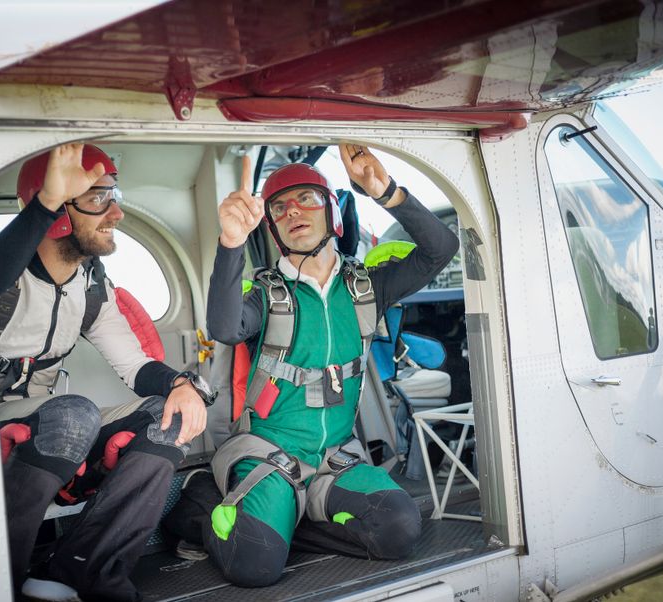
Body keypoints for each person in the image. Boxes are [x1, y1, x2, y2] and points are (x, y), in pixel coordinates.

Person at [165, 143, 459, 587]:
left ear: (332, 213)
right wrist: (231, 242)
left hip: (335, 462)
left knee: (399, 528)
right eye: (279, 207)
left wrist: (386, 190)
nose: (293, 211)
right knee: (255, 566)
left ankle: (285, 523)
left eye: (307, 198)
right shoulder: (267, 293)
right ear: (273, 227)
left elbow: (442, 248)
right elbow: (224, 327)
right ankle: (203, 499)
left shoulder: (365, 287)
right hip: (269, 456)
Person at [0, 143, 212, 601]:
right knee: (74, 415)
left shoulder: (90, 286)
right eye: (96, 199)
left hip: (48, 426)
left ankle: (82, 568)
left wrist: (180, 385)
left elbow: (134, 364)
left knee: (164, 419)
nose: (115, 213)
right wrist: (44, 204)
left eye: (115, 196)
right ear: (56, 210)